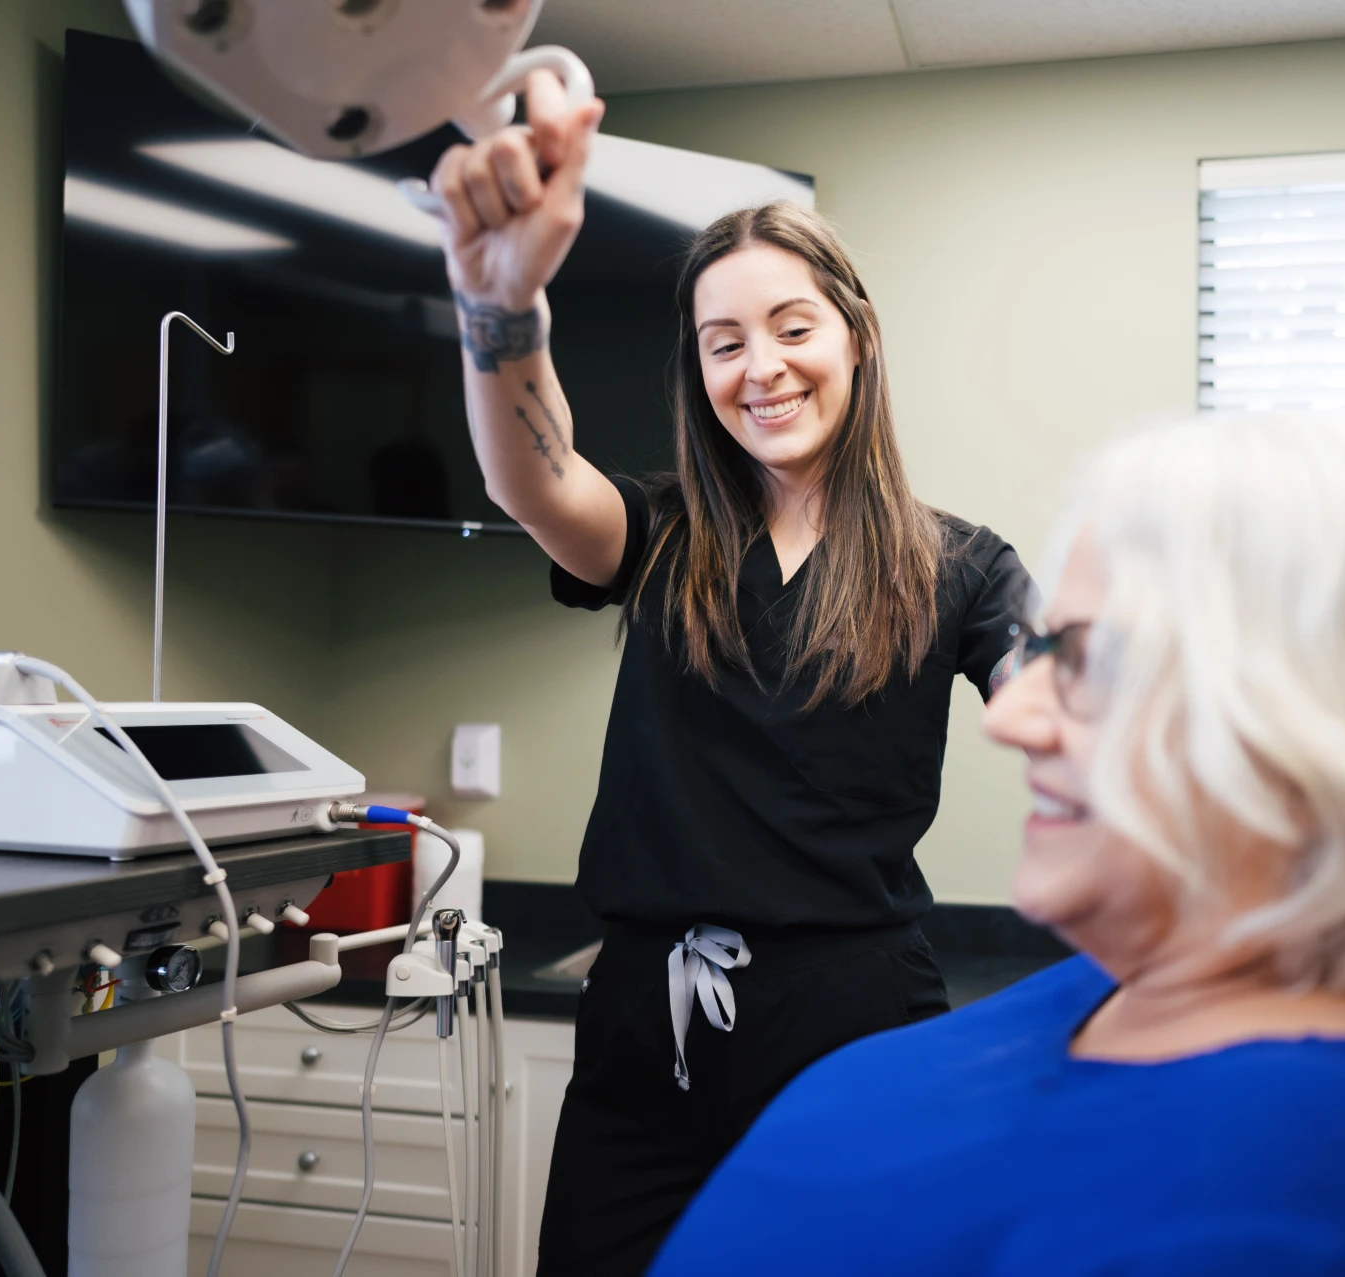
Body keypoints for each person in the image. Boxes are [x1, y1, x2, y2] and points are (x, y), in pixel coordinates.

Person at [650, 413, 1345, 1275]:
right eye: (1039, 647)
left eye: (1083, 656)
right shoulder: (1189, 966)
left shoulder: (1300, 1207)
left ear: (1317, 728)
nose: (1011, 718)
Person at [425, 77, 1028, 1275]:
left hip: (853, 1026)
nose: (762, 367)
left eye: (793, 327)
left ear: (855, 332)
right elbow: (532, 484)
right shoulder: (658, 537)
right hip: (645, 1039)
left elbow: (1076, 716)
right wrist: (504, 306)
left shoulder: (963, 565)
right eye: (725, 341)